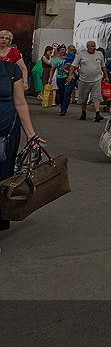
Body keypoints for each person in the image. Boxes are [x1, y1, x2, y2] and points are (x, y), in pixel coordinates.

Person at [0, 52, 43, 231]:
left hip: (6, 135)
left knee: (3, 180)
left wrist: (31, 135)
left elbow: (20, 104)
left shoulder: (11, 70)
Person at [67, 40, 107, 122]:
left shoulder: (99, 54)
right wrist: (70, 75)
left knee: (96, 97)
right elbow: (73, 66)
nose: (93, 48)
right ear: (87, 47)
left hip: (96, 79)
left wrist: (106, 76)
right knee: (83, 98)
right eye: (91, 46)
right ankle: (83, 112)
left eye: (94, 46)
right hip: (84, 80)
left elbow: (103, 66)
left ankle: (97, 113)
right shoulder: (81, 54)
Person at [51, 45, 72, 115]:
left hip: (68, 77)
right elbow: (53, 69)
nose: (62, 51)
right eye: (60, 50)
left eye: (63, 49)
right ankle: (62, 106)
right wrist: (50, 78)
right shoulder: (56, 59)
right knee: (61, 93)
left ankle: (64, 108)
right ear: (58, 51)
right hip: (59, 77)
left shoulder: (69, 58)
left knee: (67, 93)